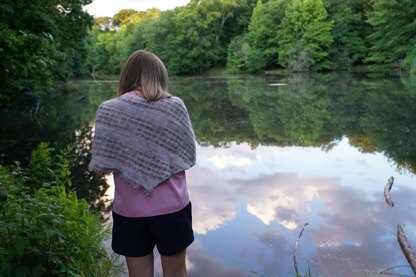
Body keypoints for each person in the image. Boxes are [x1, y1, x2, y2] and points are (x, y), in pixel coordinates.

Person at [89, 50, 196, 277]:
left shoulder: (109, 109)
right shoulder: (174, 106)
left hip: (130, 211)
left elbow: (101, 167)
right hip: (172, 208)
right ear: (159, 75)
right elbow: (186, 156)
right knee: (177, 273)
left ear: (126, 76)